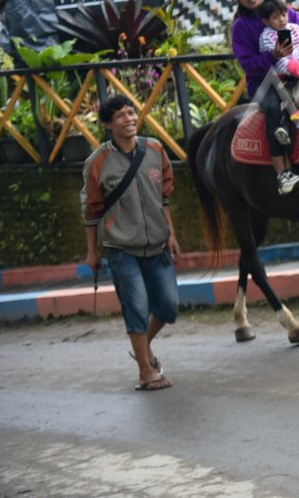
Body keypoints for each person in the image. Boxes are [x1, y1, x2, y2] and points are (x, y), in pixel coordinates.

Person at [81, 93, 180, 392]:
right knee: (136, 307)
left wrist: (171, 233)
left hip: (158, 246)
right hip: (121, 250)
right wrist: (92, 250)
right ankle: (146, 372)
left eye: (132, 112)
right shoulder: (97, 162)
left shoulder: (155, 149)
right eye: (121, 115)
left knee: (168, 306)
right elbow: (91, 210)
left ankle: (143, 347)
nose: (130, 118)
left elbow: (163, 197)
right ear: (109, 125)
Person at [231, 0, 299, 194]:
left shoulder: (286, 13)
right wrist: (273, 56)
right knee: (273, 107)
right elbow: (248, 64)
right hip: (266, 82)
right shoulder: (241, 26)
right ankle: (283, 173)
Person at [257, 0, 299, 79]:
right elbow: (278, 62)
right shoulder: (266, 37)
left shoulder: (296, 28)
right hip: (281, 75)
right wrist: (293, 67)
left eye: (284, 15)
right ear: (266, 21)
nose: (281, 19)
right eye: (275, 17)